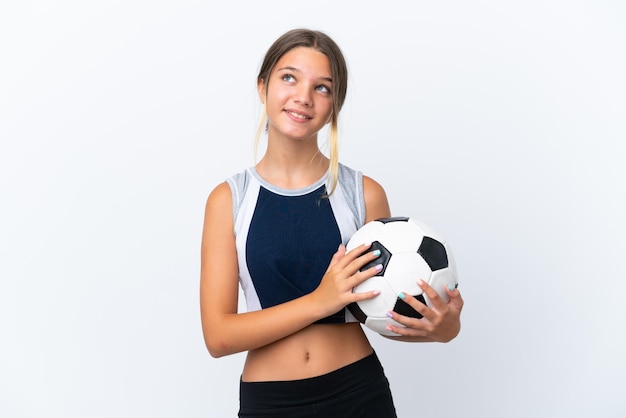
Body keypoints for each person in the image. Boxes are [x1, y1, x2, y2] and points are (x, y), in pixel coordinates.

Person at [200, 28, 464, 418]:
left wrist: (443, 328)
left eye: (322, 87)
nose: (303, 97)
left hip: (357, 392)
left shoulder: (363, 193)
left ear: (334, 104)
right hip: (270, 403)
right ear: (262, 87)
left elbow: (386, 308)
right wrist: (318, 302)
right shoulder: (229, 200)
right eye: (289, 77)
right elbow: (218, 337)